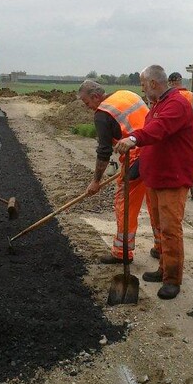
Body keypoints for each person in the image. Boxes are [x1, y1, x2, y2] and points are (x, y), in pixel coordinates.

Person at [115, 65, 193, 300]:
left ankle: (173, 279)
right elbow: (152, 132)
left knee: (171, 230)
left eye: (142, 84)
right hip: (156, 176)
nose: (142, 89)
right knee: (160, 228)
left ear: (152, 83)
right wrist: (139, 165)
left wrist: (133, 138)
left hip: (172, 178)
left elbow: (158, 131)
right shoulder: (158, 105)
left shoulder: (176, 104)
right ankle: (163, 268)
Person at [78, 80, 149, 264]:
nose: (88, 108)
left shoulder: (103, 113)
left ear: (95, 97)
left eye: (87, 103)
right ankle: (160, 247)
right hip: (156, 151)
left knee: (124, 203)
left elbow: (104, 152)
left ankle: (122, 252)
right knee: (155, 203)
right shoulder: (126, 94)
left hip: (138, 157)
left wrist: (95, 181)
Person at [168, 71, 193, 202]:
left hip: (172, 137)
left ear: (170, 82)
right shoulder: (192, 96)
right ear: (180, 81)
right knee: (192, 161)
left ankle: (174, 187)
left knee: (172, 160)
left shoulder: (169, 96)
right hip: (190, 136)